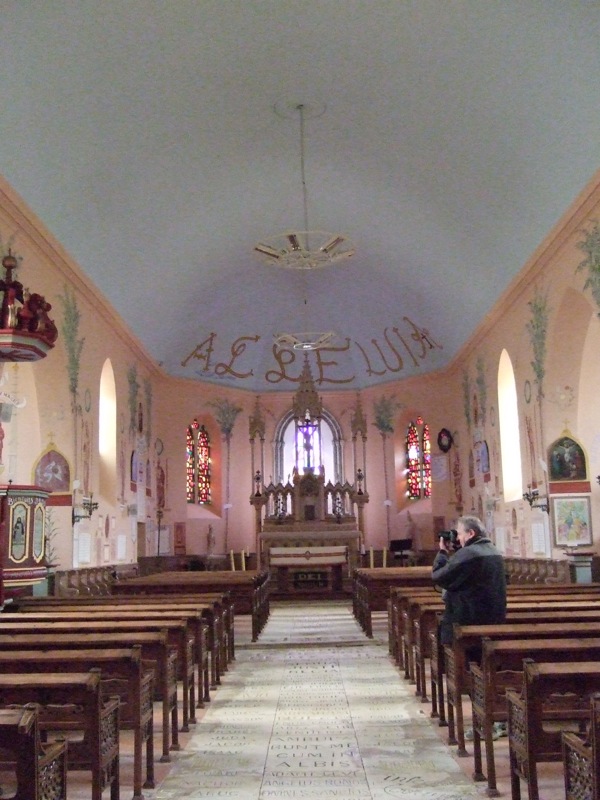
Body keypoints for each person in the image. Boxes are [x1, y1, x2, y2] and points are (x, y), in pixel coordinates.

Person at [432, 515, 507, 738]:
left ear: (471, 533)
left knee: (474, 674)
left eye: (460, 533)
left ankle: (486, 723)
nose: (458, 538)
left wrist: (442, 552)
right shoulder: (493, 551)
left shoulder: (469, 554)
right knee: (487, 671)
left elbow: (439, 577)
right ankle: (496, 719)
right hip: (492, 621)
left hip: (468, 624)